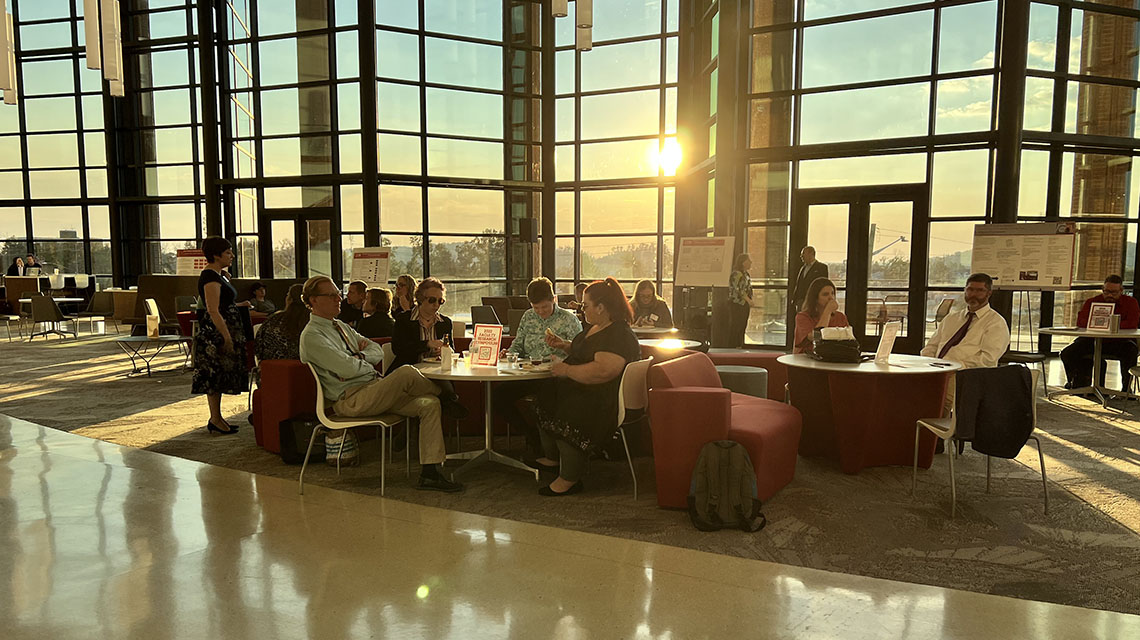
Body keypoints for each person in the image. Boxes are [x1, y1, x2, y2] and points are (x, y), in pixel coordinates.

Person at [299, 275, 464, 492]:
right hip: (350, 399)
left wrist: (359, 359)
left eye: (338, 293)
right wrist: (361, 361)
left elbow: (375, 350)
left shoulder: (340, 326)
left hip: (373, 389)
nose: (339, 298)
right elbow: (347, 368)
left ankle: (430, 473)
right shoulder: (312, 336)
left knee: (429, 403)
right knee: (406, 372)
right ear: (313, 300)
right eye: (331, 295)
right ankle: (449, 398)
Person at [529, 277, 641, 496]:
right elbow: (587, 353)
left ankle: (569, 477)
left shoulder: (617, 335)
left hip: (600, 398)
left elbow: (603, 371)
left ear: (601, 307)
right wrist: (565, 346)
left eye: (585, 305)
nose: (582, 309)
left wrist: (567, 370)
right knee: (545, 396)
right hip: (587, 389)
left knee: (568, 409)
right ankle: (554, 459)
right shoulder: (599, 327)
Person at [495, 277, 582, 459]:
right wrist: (509, 353)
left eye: (545, 307)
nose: (541, 312)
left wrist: (562, 348)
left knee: (542, 402)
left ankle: (548, 451)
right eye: (536, 308)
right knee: (499, 397)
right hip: (528, 374)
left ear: (554, 300)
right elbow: (518, 344)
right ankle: (531, 436)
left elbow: (580, 351)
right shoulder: (528, 316)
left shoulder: (569, 320)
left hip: (555, 377)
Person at [920, 273, 1011, 412]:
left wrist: (955, 368)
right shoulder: (952, 318)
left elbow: (987, 359)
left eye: (979, 290)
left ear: (989, 293)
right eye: (970, 289)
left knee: (939, 399)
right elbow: (932, 345)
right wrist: (928, 364)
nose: (973, 294)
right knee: (910, 389)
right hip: (937, 369)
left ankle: (934, 432)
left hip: (968, 375)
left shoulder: (996, 323)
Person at [192, 237, 249, 435]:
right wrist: (226, 337)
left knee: (219, 376)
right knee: (214, 376)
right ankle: (215, 418)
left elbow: (224, 304)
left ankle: (216, 418)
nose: (232, 256)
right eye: (228, 252)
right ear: (216, 255)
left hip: (223, 329)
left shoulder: (219, 275)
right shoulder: (210, 277)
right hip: (214, 334)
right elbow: (213, 310)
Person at [1060, 275, 1140, 392]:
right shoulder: (1093, 301)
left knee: (1131, 351)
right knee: (1067, 353)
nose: (1110, 295)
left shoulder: (1130, 302)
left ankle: (1126, 389)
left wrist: (1109, 325)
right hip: (1092, 340)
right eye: (1106, 292)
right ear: (1103, 290)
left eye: (1114, 292)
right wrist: (1096, 324)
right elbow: (1081, 321)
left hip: (1119, 341)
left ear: (1121, 291)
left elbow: (1132, 323)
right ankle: (1076, 382)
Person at [389, 277, 454, 373]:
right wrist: (426, 344)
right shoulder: (404, 320)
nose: (436, 305)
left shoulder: (445, 322)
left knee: (448, 388)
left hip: (437, 371)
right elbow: (398, 349)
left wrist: (444, 351)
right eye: (432, 300)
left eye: (440, 301)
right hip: (408, 371)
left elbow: (452, 350)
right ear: (420, 299)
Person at [253, 284, 309, 383]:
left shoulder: (273, 321)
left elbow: (258, 348)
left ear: (289, 300)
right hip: (306, 377)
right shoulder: (312, 322)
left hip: (270, 375)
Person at [793, 277, 849, 355]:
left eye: (832, 293)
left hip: (834, 357)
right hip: (807, 359)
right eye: (825, 294)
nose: (831, 298)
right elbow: (817, 336)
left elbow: (848, 340)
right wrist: (828, 311)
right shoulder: (802, 317)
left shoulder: (840, 317)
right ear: (815, 298)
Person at [790, 246, 828, 313]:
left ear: (811, 254)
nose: (801, 256)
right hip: (801, 301)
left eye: (803, 253)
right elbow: (798, 284)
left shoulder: (821, 267)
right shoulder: (802, 268)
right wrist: (795, 299)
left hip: (813, 301)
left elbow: (823, 285)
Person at [728, 253, 754, 347]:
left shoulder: (746, 274)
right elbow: (738, 289)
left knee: (743, 325)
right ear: (743, 262)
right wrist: (748, 300)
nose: (750, 262)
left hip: (744, 304)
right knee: (736, 325)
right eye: (748, 261)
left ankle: (740, 344)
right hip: (737, 303)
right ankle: (733, 346)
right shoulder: (736, 274)